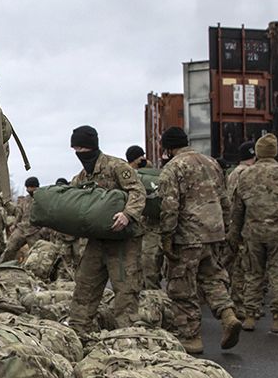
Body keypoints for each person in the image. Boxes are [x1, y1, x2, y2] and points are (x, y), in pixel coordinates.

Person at [156, 127, 241, 354]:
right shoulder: (212, 163)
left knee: (182, 287)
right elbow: (224, 200)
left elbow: (169, 207)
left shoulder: (172, 168)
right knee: (213, 278)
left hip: (187, 237)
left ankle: (191, 337)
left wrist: (166, 237)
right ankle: (228, 314)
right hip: (213, 233)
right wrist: (225, 228)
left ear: (168, 148)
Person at [66, 125, 145, 336]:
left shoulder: (116, 166)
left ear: (93, 147)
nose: (80, 154)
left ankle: (127, 340)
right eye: (76, 150)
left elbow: (138, 191)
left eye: (83, 148)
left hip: (123, 241)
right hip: (96, 241)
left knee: (125, 293)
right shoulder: (82, 177)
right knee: (85, 287)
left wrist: (127, 214)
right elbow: (74, 202)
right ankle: (77, 335)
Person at [228, 134, 278, 333]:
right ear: (275, 151)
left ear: (257, 152)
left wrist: (234, 235)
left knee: (253, 274)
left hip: (252, 233)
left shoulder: (245, 175)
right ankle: (277, 318)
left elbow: (237, 210)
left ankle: (249, 316)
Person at [225, 140, 257, 325]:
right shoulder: (247, 174)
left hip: (233, 223)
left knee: (235, 264)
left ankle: (237, 303)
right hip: (245, 225)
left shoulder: (233, 173)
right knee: (245, 268)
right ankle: (241, 304)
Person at [126, 144, 162, 289]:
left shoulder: (132, 176)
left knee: (146, 265)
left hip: (143, 228)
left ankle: (151, 295)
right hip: (159, 223)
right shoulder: (152, 174)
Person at [3, 176, 44, 260]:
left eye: (30, 187)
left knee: (36, 254)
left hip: (35, 231)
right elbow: (20, 213)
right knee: (10, 248)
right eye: (27, 188)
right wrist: (14, 225)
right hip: (22, 228)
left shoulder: (43, 199)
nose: (28, 190)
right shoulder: (26, 200)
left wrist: (43, 231)